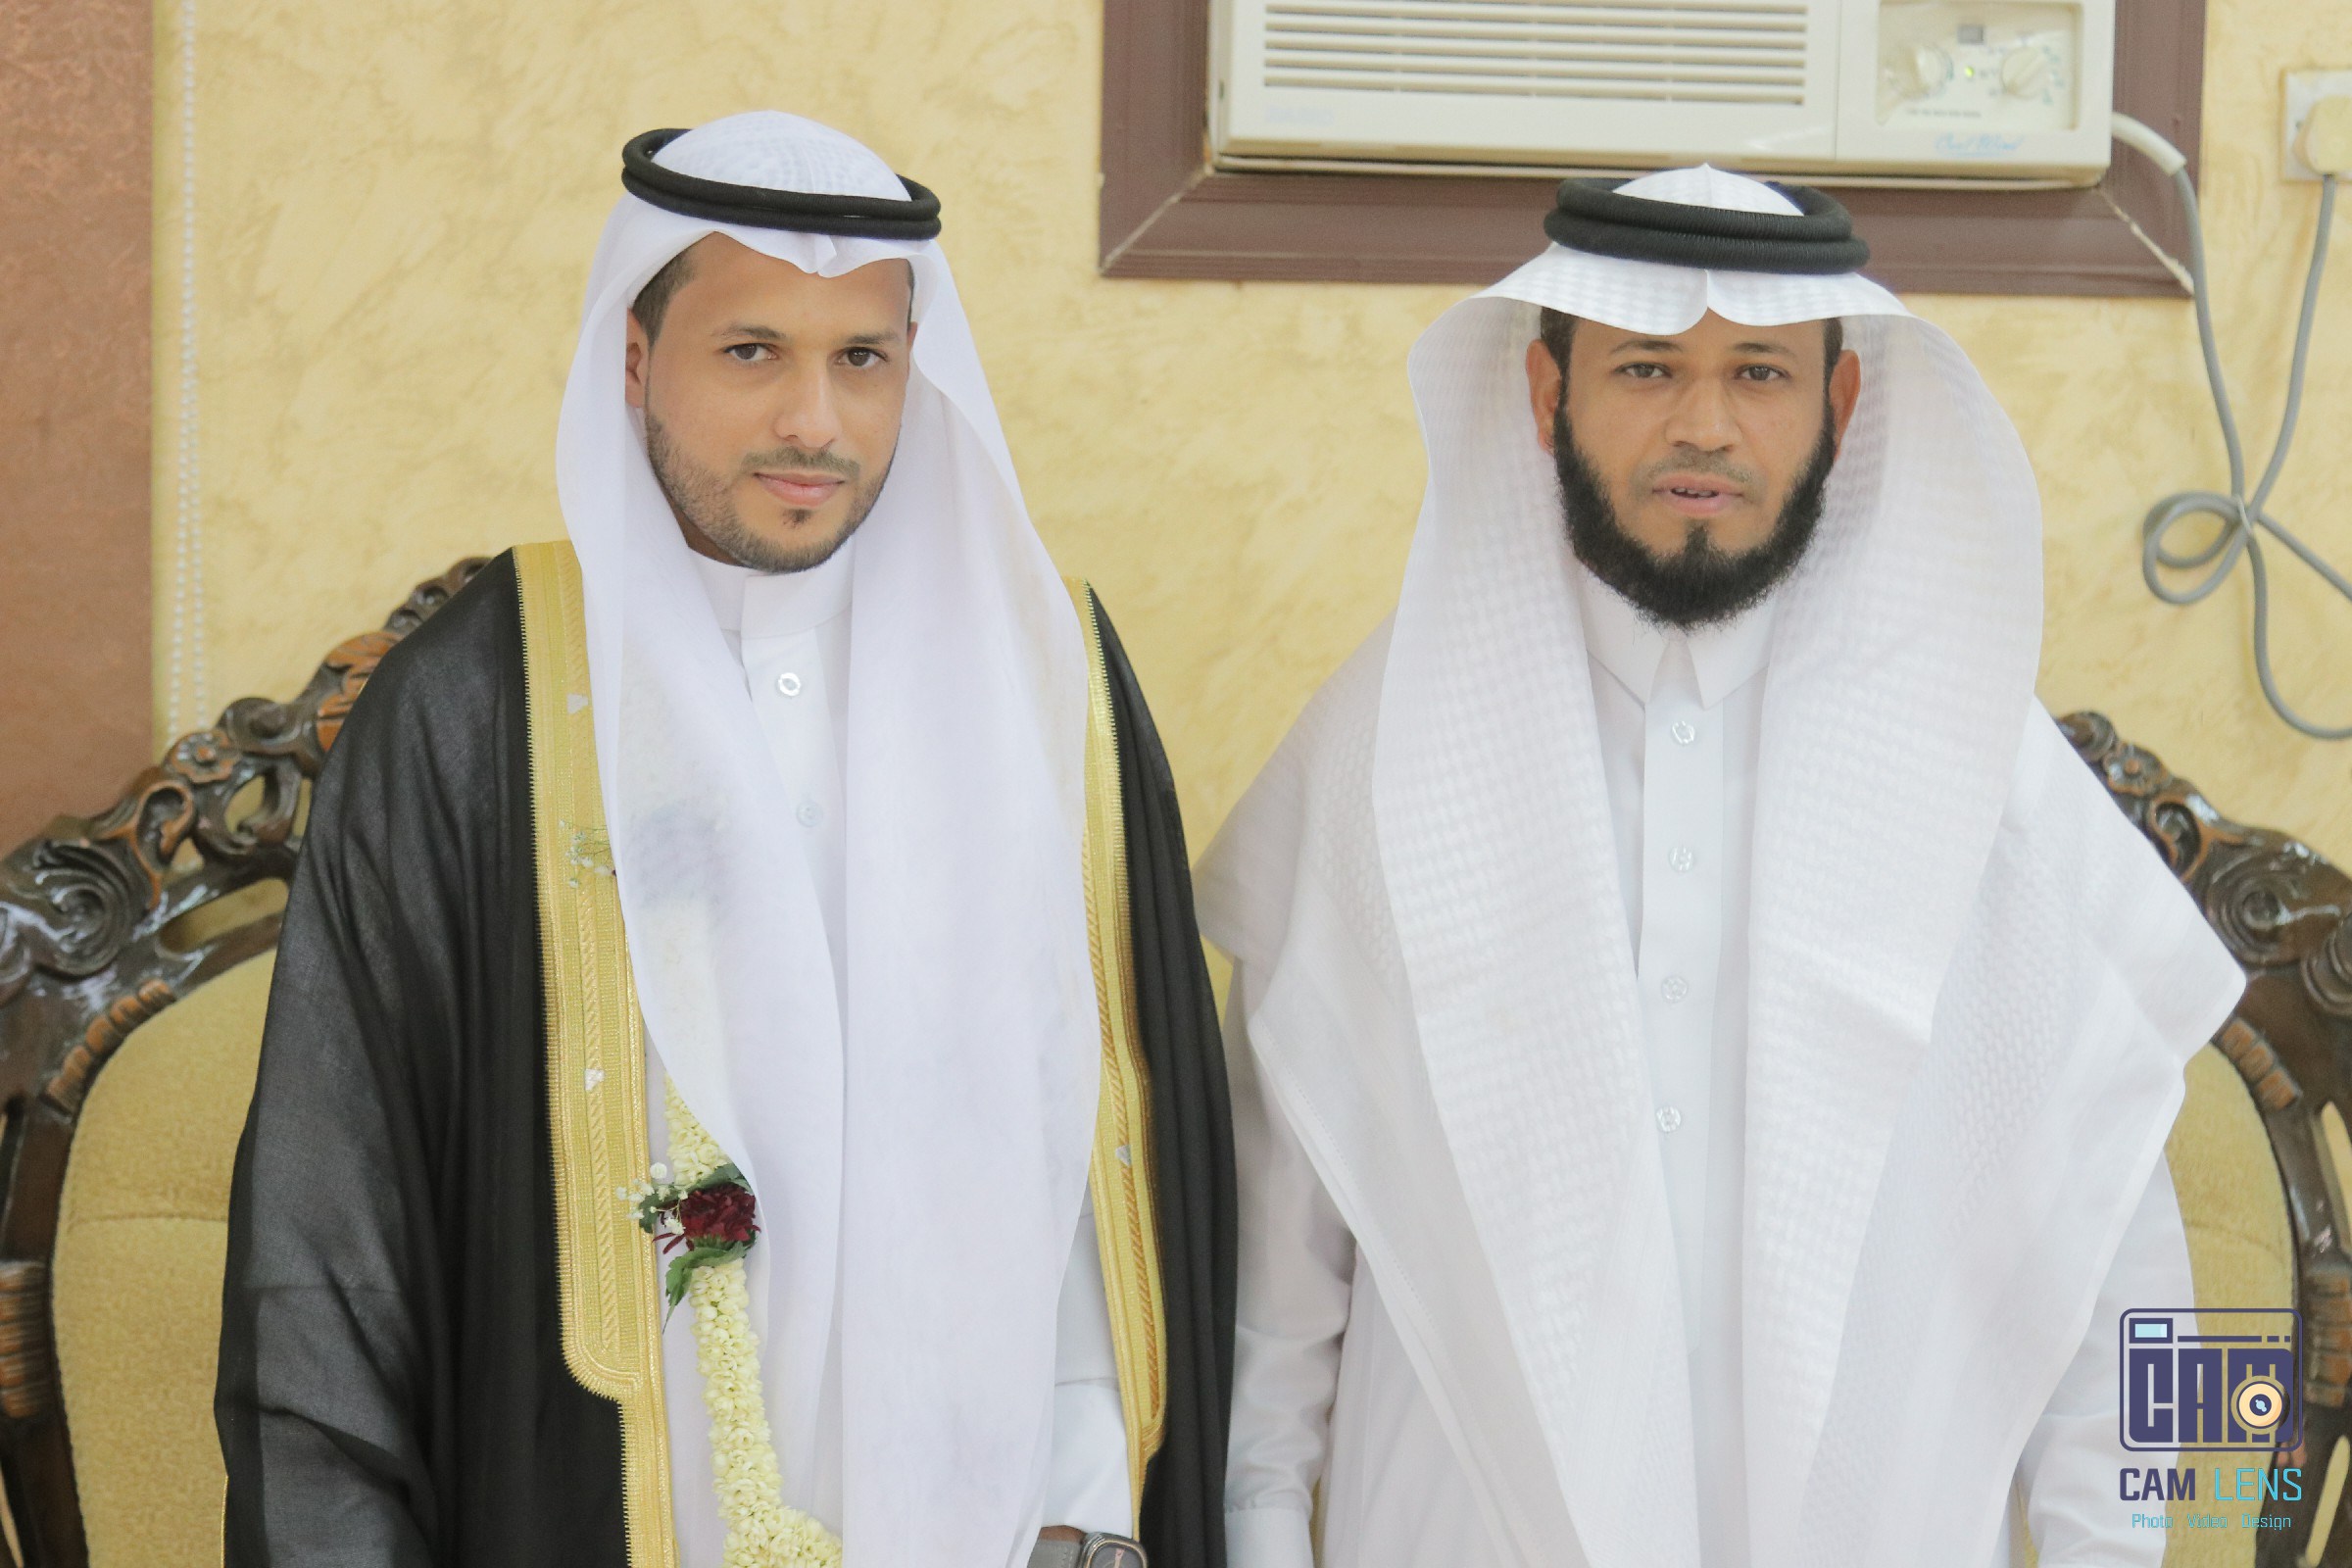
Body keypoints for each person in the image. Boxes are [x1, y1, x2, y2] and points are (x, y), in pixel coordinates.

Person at [217, 111, 1234, 1568]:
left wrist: (1092, 1516)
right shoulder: (479, 702)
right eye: (752, 351)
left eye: (861, 358)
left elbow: (1113, 1170)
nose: (813, 421)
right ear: (636, 365)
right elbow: (332, 1247)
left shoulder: (1042, 681)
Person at [1197, 166, 2242, 1568]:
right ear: (1547, 395)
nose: (1704, 423)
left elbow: (2125, 1257)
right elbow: (1272, 1292)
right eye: (1646, 367)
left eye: (1759, 371)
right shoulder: (1384, 760)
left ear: (1842, 407)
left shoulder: (1986, 778)